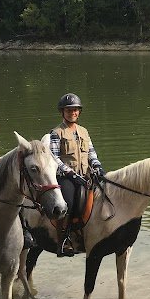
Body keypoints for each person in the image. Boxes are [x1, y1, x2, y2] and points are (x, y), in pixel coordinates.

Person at [49, 93, 106, 256]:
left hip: (85, 176)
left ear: (79, 112)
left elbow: (91, 153)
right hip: (66, 177)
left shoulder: (84, 131)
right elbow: (54, 158)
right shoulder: (56, 132)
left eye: (75, 110)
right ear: (62, 112)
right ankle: (64, 240)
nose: (72, 113)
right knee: (68, 203)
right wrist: (70, 174)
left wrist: (98, 167)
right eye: (68, 110)